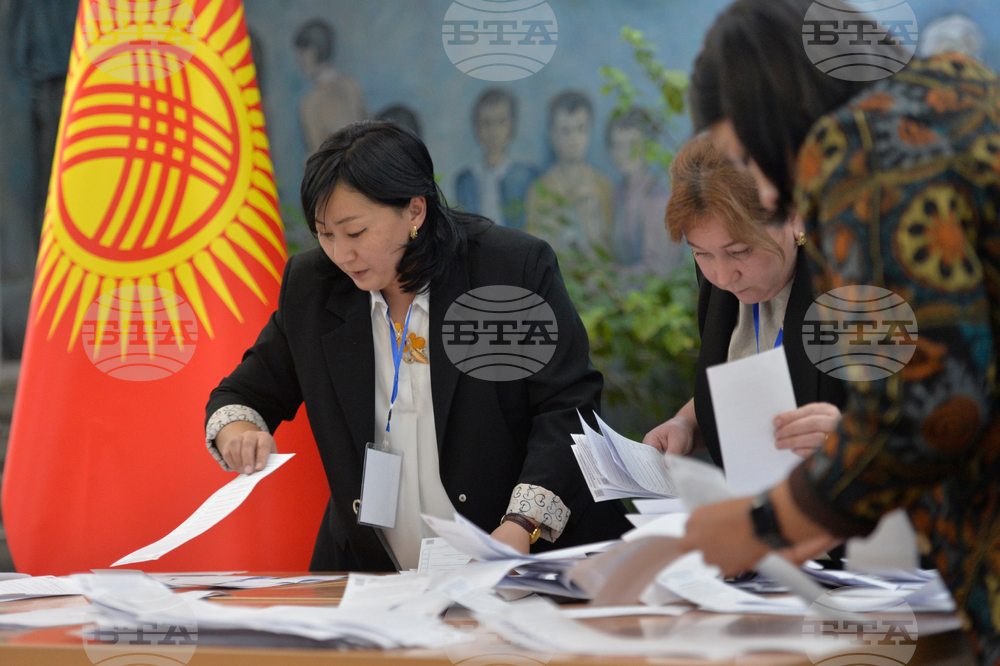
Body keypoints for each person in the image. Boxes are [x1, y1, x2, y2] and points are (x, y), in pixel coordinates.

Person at [680, 0, 1000, 660]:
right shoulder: (964, 95)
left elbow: (934, 406)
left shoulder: (863, 145)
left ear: (768, 109)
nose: (764, 191)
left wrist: (765, 524)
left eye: (743, 153)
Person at [205, 121, 630, 572]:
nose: (340, 255)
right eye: (324, 235)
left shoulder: (505, 271)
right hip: (378, 578)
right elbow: (242, 395)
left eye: (354, 233)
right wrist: (240, 432)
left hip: (524, 564)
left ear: (414, 211)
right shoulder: (315, 288)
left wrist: (521, 524)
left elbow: (568, 409)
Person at [643, 135, 845, 467]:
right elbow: (753, 385)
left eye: (740, 251)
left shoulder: (850, 284)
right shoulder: (720, 283)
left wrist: (849, 440)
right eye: (702, 254)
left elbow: (927, 417)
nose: (722, 277)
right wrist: (687, 425)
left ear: (793, 215)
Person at [525, 90, 614, 255]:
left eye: (581, 129)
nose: (574, 139)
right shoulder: (539, 189)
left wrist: (591, 230)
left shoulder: (603, 186)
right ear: (552, 135)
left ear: (590, 131)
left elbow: (611, 252)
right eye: (565, 131)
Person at [606, 108, 684, 276]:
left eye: (632, 146)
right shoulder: (619, 193)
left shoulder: (658, 198)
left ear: (648, 147)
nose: (623, 153)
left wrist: (612, 277)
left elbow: (657, 270)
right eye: (617, 145)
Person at [454, 88, 538, 230]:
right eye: (487, 123)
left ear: (512, 126)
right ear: (476, 127)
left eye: (501, 122)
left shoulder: (526, 176)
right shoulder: (465, 180)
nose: (494, 131)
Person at [294, 18, 368, 154]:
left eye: (301, 55)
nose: (299, 62)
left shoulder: (310, 103)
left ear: (312, 53)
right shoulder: (352, 86)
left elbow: (316, 155)